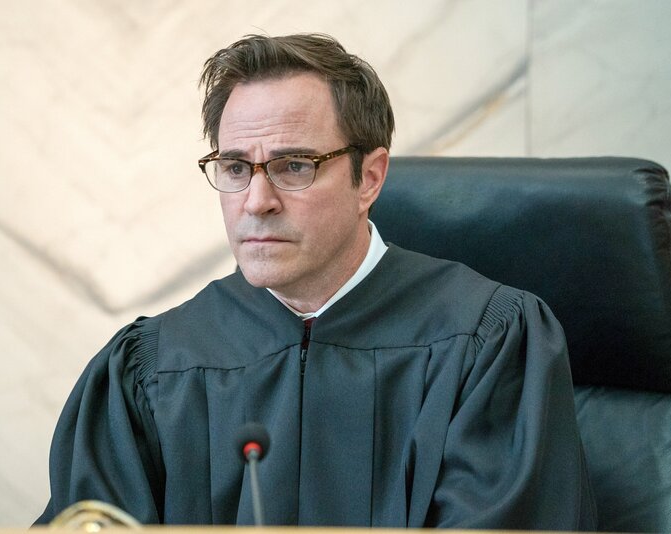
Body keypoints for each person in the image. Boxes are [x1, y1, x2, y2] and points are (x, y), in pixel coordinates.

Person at [35, 33, 597, 529]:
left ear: (369, 178)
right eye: (235, 168)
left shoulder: (486, 342)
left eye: (294, 166)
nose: (256, 201)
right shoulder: (153, 367)